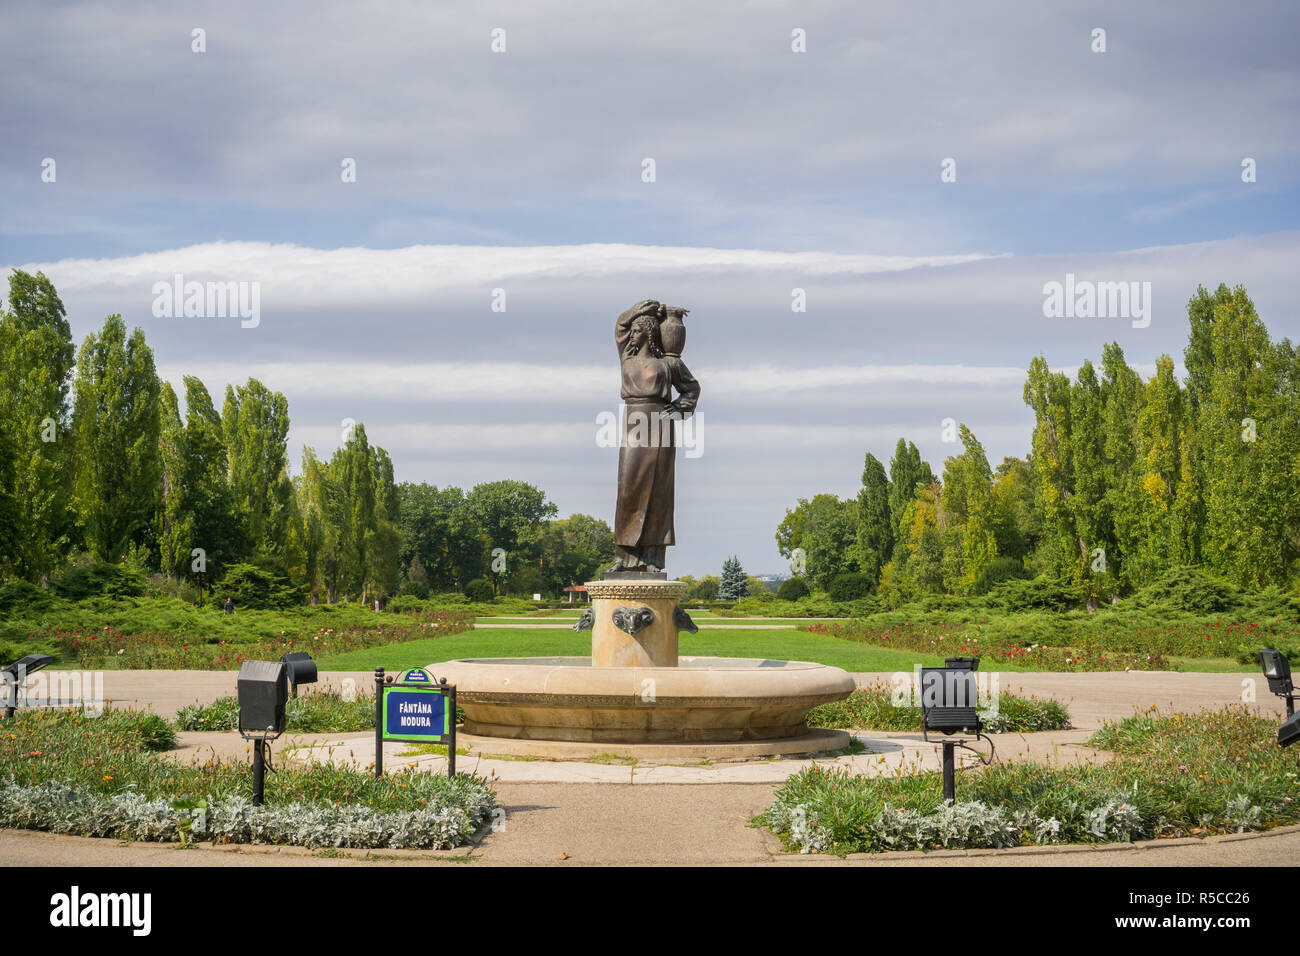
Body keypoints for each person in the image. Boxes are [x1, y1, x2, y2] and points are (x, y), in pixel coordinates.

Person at [609, 300, 700, 573]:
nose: (632, 335)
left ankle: (652, 558)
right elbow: (620, 326)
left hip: (660, 424)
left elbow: (692, 389)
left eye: (638, 331)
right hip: (633, 423)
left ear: (648, 334)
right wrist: (640, 309)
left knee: (658, 491)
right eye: (633, 331)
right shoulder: (627, 358)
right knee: (628, 488)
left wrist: (678, 409)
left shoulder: (668, 364)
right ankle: (624, 556)